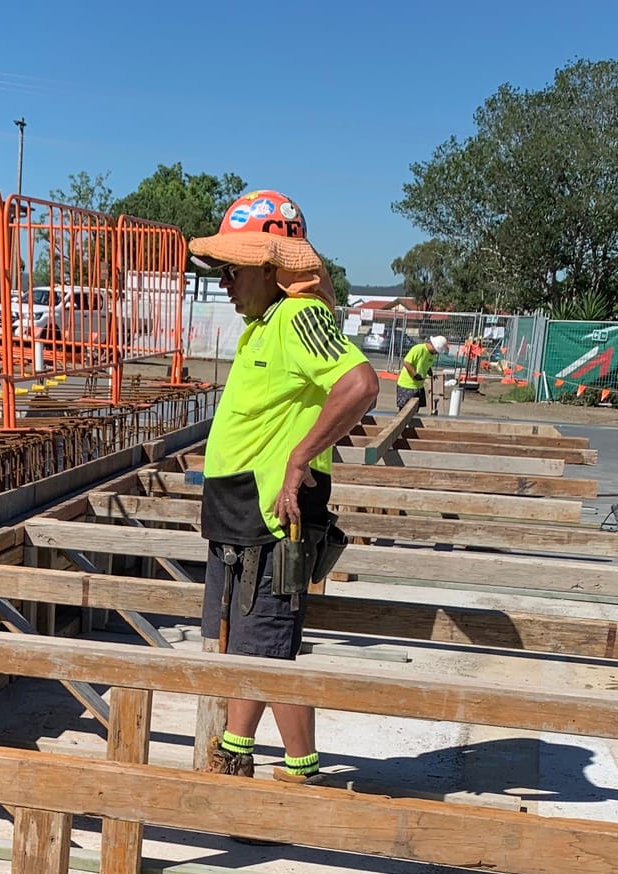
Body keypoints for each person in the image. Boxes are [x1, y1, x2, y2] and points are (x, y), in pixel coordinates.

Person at [188, 191, 380, 784]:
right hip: (239, 516)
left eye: (234, 270)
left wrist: (299, 458)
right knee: (248, 646)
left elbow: (360, 384)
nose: (224, 282)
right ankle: (235, 747)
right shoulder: (262, 326)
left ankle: (300, 772)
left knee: (269, 652)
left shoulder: (301, 317)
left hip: (271, 521)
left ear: (273, 270)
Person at [396, 333, 448, 415]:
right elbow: (407, 363)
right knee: (403, 411)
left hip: (419, 386)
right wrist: (415, 375)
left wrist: (429, 371)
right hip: (407, 384)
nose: (436, 354)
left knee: (415, 410)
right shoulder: (418, 349)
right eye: (436, 352)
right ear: (433, 346)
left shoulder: (432, 354)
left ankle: (411, 426)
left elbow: (426, 364)